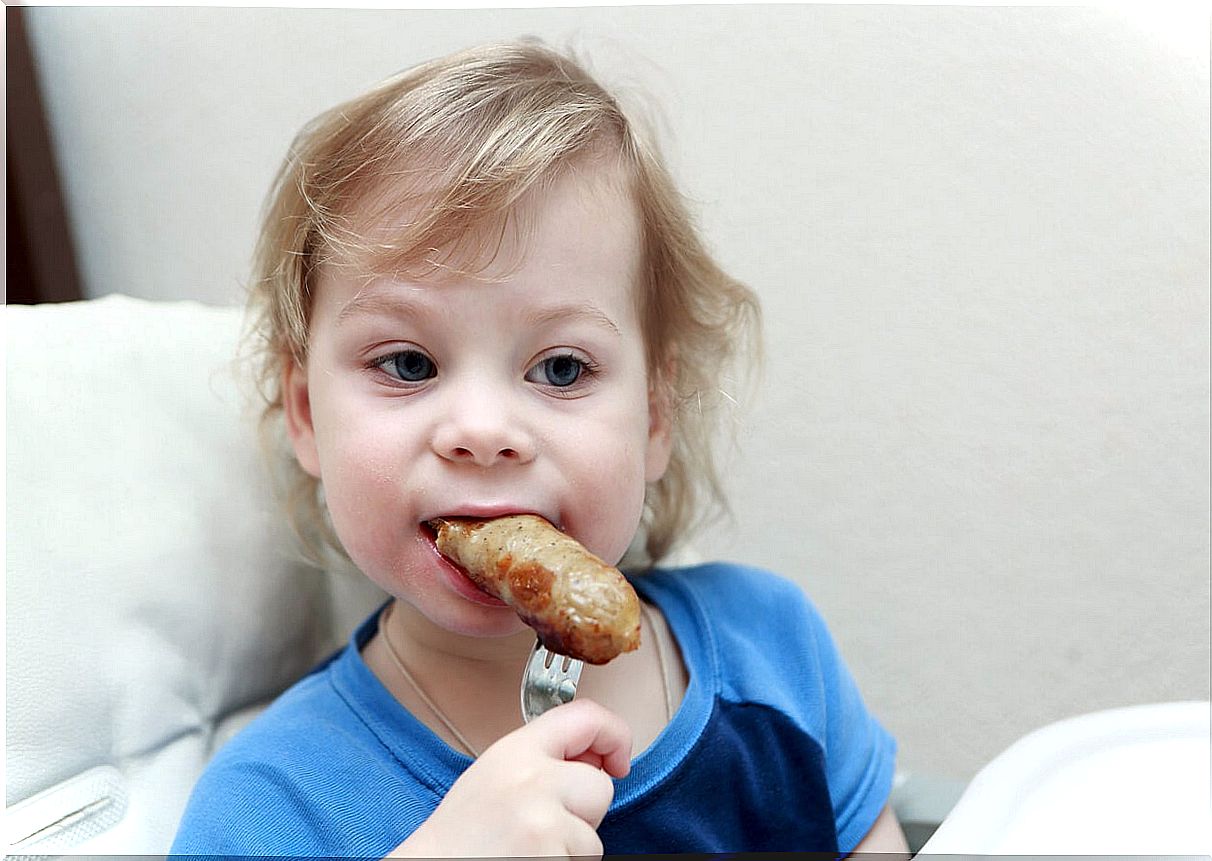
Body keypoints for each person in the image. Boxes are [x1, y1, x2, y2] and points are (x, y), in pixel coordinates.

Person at [170, 40, 909, 857]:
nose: (483, 430)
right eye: (408, 363)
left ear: (655, 417)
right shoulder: (272, 806)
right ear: (307, 414)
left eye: (561, 367)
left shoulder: (777, 655)